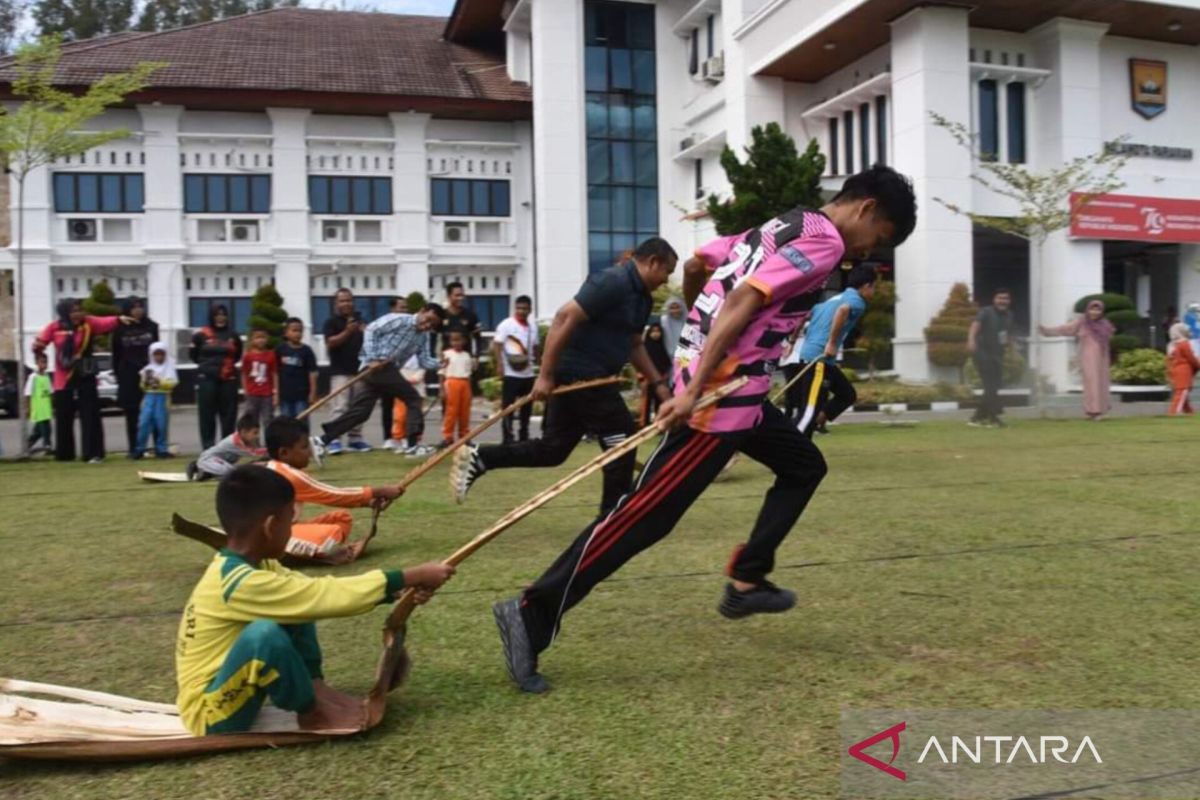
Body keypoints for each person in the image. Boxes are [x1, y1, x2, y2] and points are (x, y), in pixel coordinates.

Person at [490, 165, 916, 693]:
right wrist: (693, 386)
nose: (865, 254)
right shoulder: (825, 243)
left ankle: (748, 577)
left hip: (742, 390)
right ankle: (531, 612)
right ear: (868, 209)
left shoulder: (783, 225)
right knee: (642, 517)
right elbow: (741, 301)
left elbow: (699, 263)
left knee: (803, 464)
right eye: (879, 239)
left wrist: (694, 331)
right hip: (719, 399)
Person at [174, 464, 454, 735]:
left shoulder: (259, 566)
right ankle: (312, 712)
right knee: (264, 635)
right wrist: (408, 575)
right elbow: (321, 597)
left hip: (226, 688)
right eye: (289, 521)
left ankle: (315, 688)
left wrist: (395, 591)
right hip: (208, 713)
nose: (292, 527)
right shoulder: (237, 582)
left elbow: (310, 589)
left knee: (296, 605)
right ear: (271, 526)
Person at [451, 238, 679, 514]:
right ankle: (613, 517)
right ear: (653, 262)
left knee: (553, 450)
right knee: (622, 439)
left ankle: (482, 457)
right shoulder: (613, 281)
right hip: (580, 374)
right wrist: (545, 376)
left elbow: (634, 343)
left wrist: (659, 385)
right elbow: (563, 318)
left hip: (595, 377)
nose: (666, 281)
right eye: (666, 272)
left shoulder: (642, 297)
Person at [317, 304, 447, 458]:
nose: (427, 326)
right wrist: (372, 358)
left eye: (432, 325)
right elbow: (372, 329)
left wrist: (440, 363)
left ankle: (321, 440)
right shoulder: (400, 319)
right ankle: (412, 445)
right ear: (422, 310)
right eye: (428, 320)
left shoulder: (423, 337)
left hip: (385, 371)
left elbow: (424, 360)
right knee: (413, 398)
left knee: (361, 413)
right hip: (375, 367)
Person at [264, 417, 403, 556]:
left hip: (284, 529)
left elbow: (332, 496)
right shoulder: (290, 476)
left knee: (342, 519)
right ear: (284, 453)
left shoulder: (280, 469)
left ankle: (311, 550)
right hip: (270, 536)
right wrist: (379, 491)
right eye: (304, 447)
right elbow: (334, 495)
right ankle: (312, 552)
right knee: (332, 533)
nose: (310, 452)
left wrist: (370, 502)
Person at [33, 299, 133, 463]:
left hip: (85, 374)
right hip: (63, 377)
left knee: (90, 414)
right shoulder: (55, 327)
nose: (77, 314)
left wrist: (119, 319)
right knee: (64, 415)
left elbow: (105, 322)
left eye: (79, 310)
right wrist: (37, 349)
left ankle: (93, 453)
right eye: (73, 311)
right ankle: (65, 454)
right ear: (65, 312)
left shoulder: (88, 324)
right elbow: (41, 342)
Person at [792, 264, 876, 437]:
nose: (873, 292)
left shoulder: (833, 299)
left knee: (847, 394)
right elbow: (843, 311)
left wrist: (791, 343)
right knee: (808, 412)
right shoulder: (857, 301)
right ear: (867, 285)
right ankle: (792, 446)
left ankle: (819, 420)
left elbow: (804, 316)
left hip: (819, 360)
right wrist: (831, 343)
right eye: (873, 287)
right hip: (818, 360)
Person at [1039, 299, 1114, 420]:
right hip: (1088, 358)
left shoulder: (1105, 324)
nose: (1094, 312)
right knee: (1091, 382)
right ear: (1087, 310)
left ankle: (1100, 410)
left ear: (1102, 311)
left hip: (1102, 358)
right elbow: (1064, 329)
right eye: (1092, 309)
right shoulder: (1082, 322)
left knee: (1102, 382)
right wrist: (1047, 331)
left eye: (1098, 309)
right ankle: (1093, 410)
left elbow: (1109, 340)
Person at [321, 289, 369, 455]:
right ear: (336, 304)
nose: (346, 304)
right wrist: (348, 331)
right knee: (339, 406)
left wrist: (366, 332)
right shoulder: (331, 322)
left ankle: (355, 438)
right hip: (339, 371)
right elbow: (331, 343)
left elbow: (371, 341)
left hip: (360, 370)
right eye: (342, 301)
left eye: (349, 300)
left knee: (358, 406)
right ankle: (334, 439)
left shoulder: (361, 320)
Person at [112, 298, 159, 456]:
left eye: (140, 307)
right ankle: (135, 448)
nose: (138, 311)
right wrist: (118, 375)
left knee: (155, 411)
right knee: (132, 412)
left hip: (150, 372)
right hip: (128, 373)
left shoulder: (151, 327)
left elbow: (158, 351)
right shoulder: (120, 329)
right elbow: (116, 354)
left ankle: (159, 447)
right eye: (133, 308)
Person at [192, 303, 243, 450]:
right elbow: (194, 356)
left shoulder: (233, 335)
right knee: (207, 415)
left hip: (228, 380)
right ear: (211, 316)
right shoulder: (200, 335)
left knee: (228, 416)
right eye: (217, 315)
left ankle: (226, 448)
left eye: (223, 314)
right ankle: (208, 449)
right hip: (207, 380)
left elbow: (237, 356)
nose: (221, 318)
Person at [492, 295, 538, 444]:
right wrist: (499, 364)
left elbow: (536, 347)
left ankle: (524, 435)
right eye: (519, 308)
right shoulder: (506, 324)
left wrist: (541, 362)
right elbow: (497, 344)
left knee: (526, 408)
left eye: (525, 308)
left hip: (528, 373)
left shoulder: (533, 327)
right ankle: (507, 437)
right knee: (508, 407)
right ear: (514, 308)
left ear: (530, 310)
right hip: (511, 373)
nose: (522, 311)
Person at [966, 288, 1013, 428]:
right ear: (994, 299)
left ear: (1009, 301)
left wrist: (1009, 346)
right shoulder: (986, 311)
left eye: (1005, 298)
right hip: (982, 352)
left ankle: (976, 418)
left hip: (997, 354)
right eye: (1000, 298)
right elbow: (975, 325)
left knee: (993, 387)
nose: (1002, 301)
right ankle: (993, 418)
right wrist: (971, 340)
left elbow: (1005, 334)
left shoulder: (1009, 315)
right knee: (990, 386)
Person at [188, 413, 266, 481]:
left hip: (219, 461)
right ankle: (200, 468)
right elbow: (255, 453)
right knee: (233, 472)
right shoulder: (236, 442)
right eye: (255, 433)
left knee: (236, 469)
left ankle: (206, 472)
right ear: (243, 432)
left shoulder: (243, 439)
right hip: (209, 459)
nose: (257, 436)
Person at [276, 318, 318, 424]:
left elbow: (312, 373)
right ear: (286, 333)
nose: (297, 333)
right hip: (285, 395)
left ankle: (303, 440)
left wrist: (312, 393)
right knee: (286, 423)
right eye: (294, 330)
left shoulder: (307, 351)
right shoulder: (280, 349)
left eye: (300, 331)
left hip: (302, 395)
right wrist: (276, 393)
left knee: (302, 422)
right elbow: (275, 372)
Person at [438, 330, 474, 447]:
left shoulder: (467, 355)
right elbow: (442, 372)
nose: (456, 343)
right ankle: (447, 436)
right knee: (451, 411)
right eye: (453, 340)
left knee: (464, 411)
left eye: (458, 340)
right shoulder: (447, 354)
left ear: (464, 341)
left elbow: (468, 374)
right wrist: (442, 389)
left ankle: (464, 436)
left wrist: (470, 389)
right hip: (452, 381)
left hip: (464, 382)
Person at [240, 328, 277, 432]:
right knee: (252, 420)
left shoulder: (271, 355)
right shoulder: (248, 356)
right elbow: (244, 374)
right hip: (252, 393)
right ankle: (254, 443)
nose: (261, 340)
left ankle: (269, 443)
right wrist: (245, 390)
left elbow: (274, 374)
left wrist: (276, 393)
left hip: (267, 393)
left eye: (263, 337)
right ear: (252, 340)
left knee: (268, 419)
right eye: (257, 337)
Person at [640, 321, 673, 425]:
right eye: (653, 331)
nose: (656, 333)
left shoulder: (662, 347)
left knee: (659, 401)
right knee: (646, 401)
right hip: (647, 379)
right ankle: (644, 423)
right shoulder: (644, 348)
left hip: (661, 378)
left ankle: (658, 422)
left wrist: (665, 376)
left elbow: (666, 362)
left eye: (658, 331)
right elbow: (639, 363)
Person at [23, 353, 53, 454]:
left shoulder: (46, 376)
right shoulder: (33, 377)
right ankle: (47, 446)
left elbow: (50, 392)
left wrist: (52, 405)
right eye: (42, 362)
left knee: (39, 431)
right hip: (38, 409)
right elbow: (28, 393)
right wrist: (28, 408)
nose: (44, 365)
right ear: (37, 363)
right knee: (45, 429)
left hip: (46, 409)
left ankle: (28, 444)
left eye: (45, 362)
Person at [1167, 322, 1199, 416]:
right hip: (1184, 371)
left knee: (1182, 392)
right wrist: (1198, 365)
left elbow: (1169, 359)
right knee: (1182, 392)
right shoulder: (1184, 344)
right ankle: (1174, 412)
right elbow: (1191, 357)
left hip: (1175, 370)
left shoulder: (1172, 345)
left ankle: (1189, 412)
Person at [779, 324, 807, 422]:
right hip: (789, 357)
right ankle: (789, 413)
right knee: (791, 387)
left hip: (803, 356)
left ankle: (800, 413)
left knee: (803, 387)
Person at [660, 295, 687, 363]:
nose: (675, 311)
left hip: (687, 356)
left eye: (677, 307)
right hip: (668, 357)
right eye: (672, 308)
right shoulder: (664, 321)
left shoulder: (687, 319)